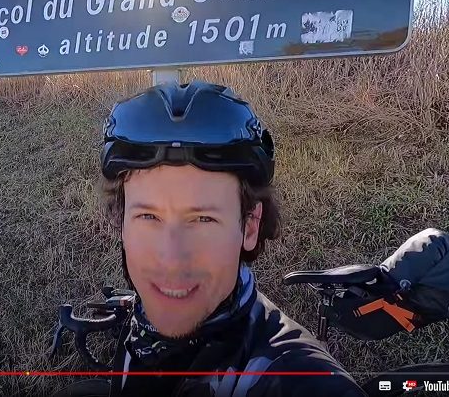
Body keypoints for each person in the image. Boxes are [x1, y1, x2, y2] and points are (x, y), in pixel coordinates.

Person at [90, 81, 367, 396]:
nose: (170, 259)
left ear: (249, 227)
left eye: (203, 219)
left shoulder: (300, 381)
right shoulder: (142, 327)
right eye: (148, 217)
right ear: (121, 222)